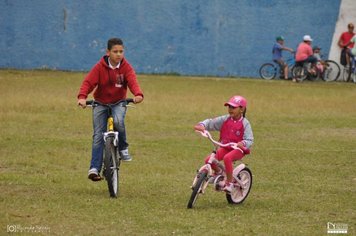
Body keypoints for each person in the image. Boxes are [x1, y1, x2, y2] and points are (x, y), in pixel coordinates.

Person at [77, 38, 144, 181]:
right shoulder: (99, 67)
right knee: (98, 136)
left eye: (121, 51)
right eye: (115, 52)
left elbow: (132, 81)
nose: (119, 54)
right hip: (100, 103)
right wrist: (82, 97)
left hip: (119, 102)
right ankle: (94, 168)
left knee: (119, 121)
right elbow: (88, 82)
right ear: (108, 52)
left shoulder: (126, 67)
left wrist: (138, 94)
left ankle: (123, 148)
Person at [194, 96, 254, 193]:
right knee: (208, 160)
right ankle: (219, 172)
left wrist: (242, 143)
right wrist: (202, 125)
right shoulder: (225, 119)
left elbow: (249, 139)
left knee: (227, 158)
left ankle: (229, 183)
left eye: (233, 107)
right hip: (226, 147)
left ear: (241, 109)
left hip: (238, 149)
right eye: (229, 107)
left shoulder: (245, 123)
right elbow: (211, 122)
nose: (230, 109)